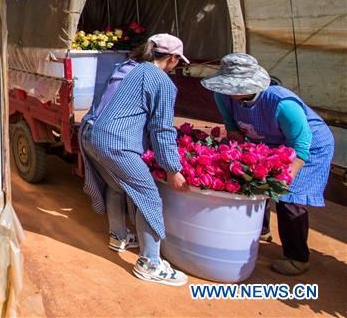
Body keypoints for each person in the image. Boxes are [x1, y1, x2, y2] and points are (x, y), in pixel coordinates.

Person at [201, 53, 335, 276]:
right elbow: (233, 128)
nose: (229, 92)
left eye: (234, 87)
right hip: (267, 142)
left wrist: (284, 178)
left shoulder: (283, 104)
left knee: (288, 198)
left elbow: (301, 146)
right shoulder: (223, 97)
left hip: (309, 149)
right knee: (253, 181)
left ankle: (297, 257)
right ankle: (260, 230)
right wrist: (238, 159)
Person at [79, 33, 190, 286]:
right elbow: (161, 129)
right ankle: (150, 263)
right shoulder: (161, 80)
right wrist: (173, 168)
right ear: (172, 58)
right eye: (178, 61)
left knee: (117, 186)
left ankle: (118, 236)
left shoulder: (127, 66)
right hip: (115, 143)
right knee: (148, 196)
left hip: (89, 133)